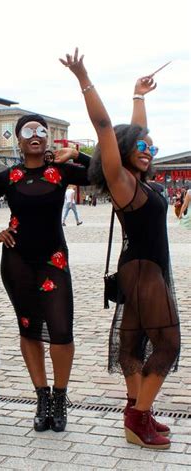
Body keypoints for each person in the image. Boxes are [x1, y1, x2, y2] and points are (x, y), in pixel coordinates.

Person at [62, 48, 180, 450]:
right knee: (168, 344)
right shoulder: (123, 183)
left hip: (143, 267)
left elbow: (133, 132)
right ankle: (138, 415)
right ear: (125, 154)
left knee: (132, 345)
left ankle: (138, 414)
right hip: (144, 269)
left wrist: (139, 96)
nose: (149, 150)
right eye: (142, 147)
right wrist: (84, 79)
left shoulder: (139, 179)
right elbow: (107, 127)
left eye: (153, 147)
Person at [0, 113, 91, 432]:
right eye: (28, 131)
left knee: (61, 330)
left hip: (53, 260)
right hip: (16, 262)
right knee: (28, 328)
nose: (36, 134)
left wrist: (76, 153)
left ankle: (60, 398)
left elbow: (104, 173)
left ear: (47, 139)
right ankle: (41, 398)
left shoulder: (60, 171)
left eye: (41, 131)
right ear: (18, 139)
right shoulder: (8, 177)